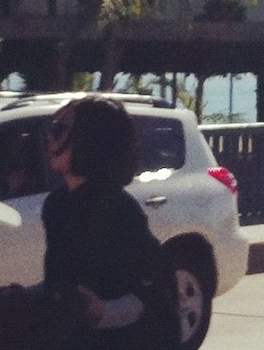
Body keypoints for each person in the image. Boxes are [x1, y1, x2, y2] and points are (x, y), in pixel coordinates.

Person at [40, 95, 177, 348]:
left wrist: (102, 310)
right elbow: (62, 282)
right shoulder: (57, 204)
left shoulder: (118, 209)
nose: (49, 137)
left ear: (89, 139)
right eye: (52, 126)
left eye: (59, 129)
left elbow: (151, 292)